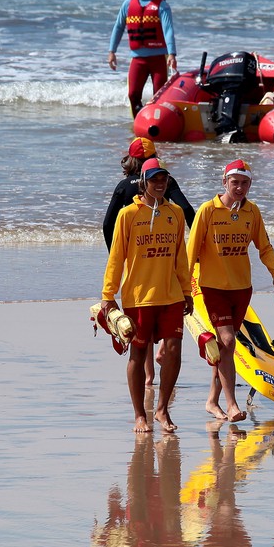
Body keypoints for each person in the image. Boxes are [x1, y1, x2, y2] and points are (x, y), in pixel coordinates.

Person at [186, 159, 274, 422]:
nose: (239, 188)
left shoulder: (252, 212)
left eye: (244, 183)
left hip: (242, 289)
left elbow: (264, 246)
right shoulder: (208, 211)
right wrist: (184, 288)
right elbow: (191, 251)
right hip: (213, 288)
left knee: (225, 349)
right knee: (228, 342)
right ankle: (231, 405)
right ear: (224, 182)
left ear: (250, 184)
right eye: (235, 183)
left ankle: (211, 401)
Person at [102, 158, 193, 433]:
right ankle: (140, 415)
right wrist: (109, 294)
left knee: (174, 350)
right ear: (143, 182)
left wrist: (186, 290)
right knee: (138, 354)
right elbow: (117, 256)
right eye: (154, 179)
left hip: (171, 295)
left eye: (163, 179)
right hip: (138, 296)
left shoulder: (175, 213)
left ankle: (162, 410)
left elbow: (180, 256)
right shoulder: (128, 214)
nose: (160, 183)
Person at [107, 0, 178, 118]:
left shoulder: (162, 5)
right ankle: (140, 122)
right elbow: (118, 27)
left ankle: (157, 125)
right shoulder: (128, 4)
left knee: (158, 97)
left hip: (158, 59)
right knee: (133, 95)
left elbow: (168, 30)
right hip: (138, 59)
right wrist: (112, 51)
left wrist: (172, 54)